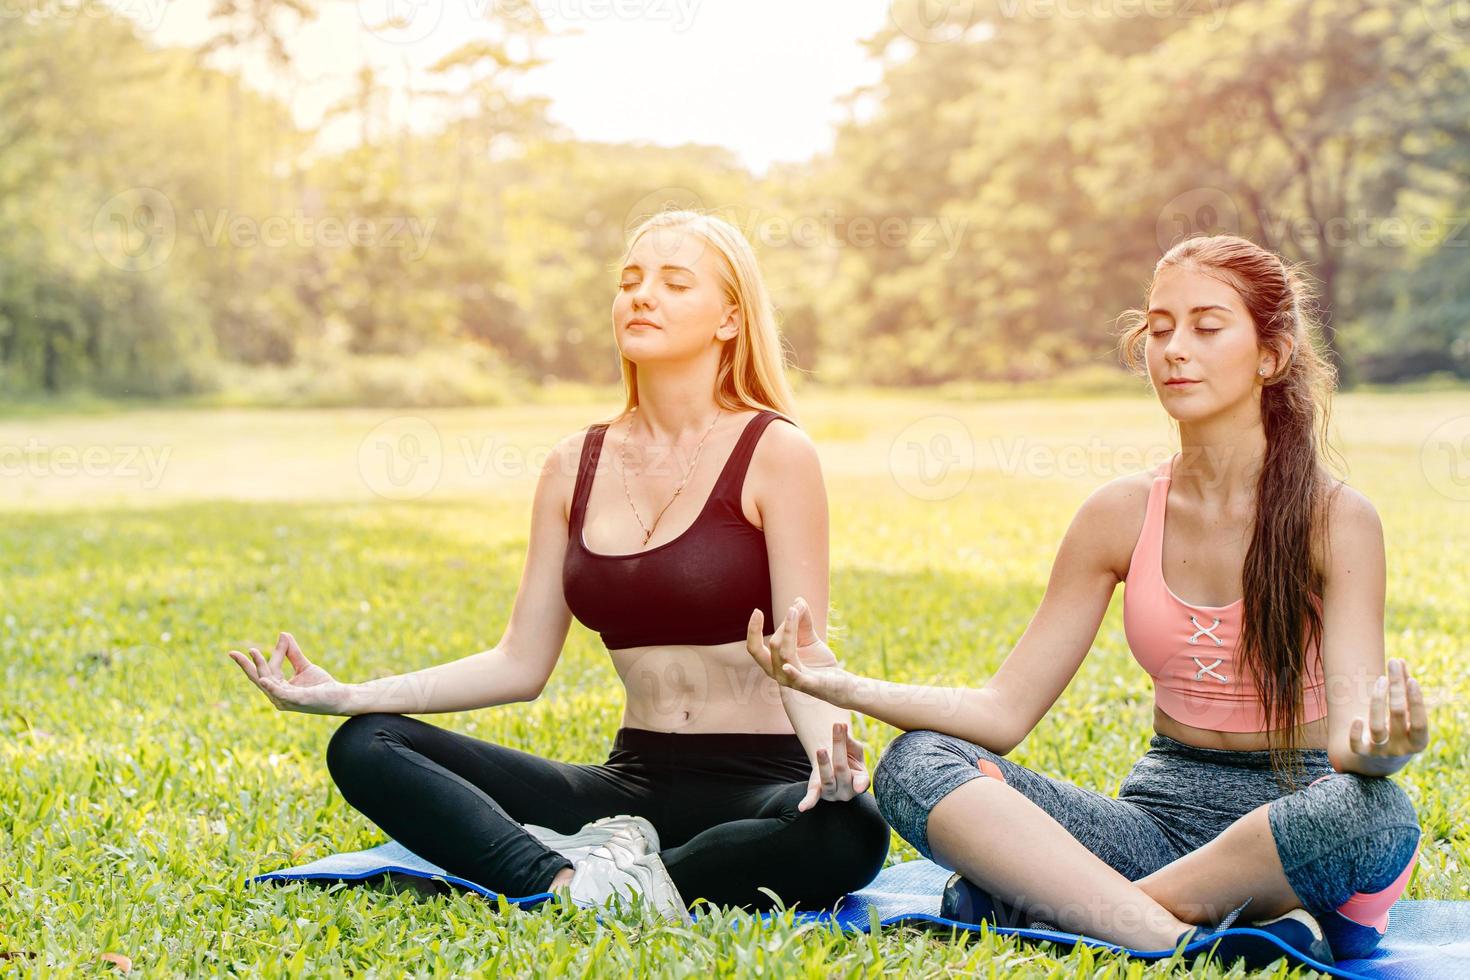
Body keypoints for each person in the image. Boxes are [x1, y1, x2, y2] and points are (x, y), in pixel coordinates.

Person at [744, 235, 1427, 963]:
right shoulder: (1119, 513)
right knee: (918, 764)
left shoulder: (1338, 519)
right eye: (1159, 328)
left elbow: (1352, 740)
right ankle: (1177, 933)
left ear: (1271, 354)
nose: (1174, 349)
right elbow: (1000, 715)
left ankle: (1061, 907)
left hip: (1291, 821)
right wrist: (834, 682)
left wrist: (1381, 754)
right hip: (1153, 820)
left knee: (1375, 816)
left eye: (1206, 325)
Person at [229, 210, 888, 922]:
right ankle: (566, 885)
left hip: (762, 783)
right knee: (367, 744)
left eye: (674, 282)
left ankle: (613, 874)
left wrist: (832, 758)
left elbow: (805, 650)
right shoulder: (574, 464)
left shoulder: (776, 452)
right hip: (627, 787)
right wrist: (353, 694)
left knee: (849, 832)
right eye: (630, 281)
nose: (642, 296)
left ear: (729, 319)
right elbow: (520, 661)